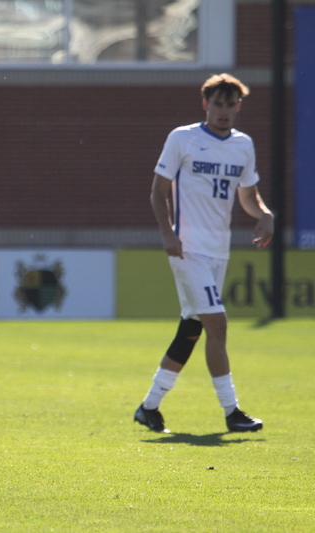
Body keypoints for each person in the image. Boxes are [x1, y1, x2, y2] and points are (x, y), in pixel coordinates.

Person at [134, 73, 274, 434]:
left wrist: (265, 215)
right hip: (188, 249)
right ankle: (232, 411)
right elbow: (157, 191)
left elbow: (248, 195)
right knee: (218, 324)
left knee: (191, 329)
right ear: (205, 104)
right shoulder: (183, 138)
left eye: (230, 105)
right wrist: (168, 233)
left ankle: (149, 406)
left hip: (218, 252)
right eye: (217, 104)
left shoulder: (243, 145)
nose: (223, 111)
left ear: (238, 107)